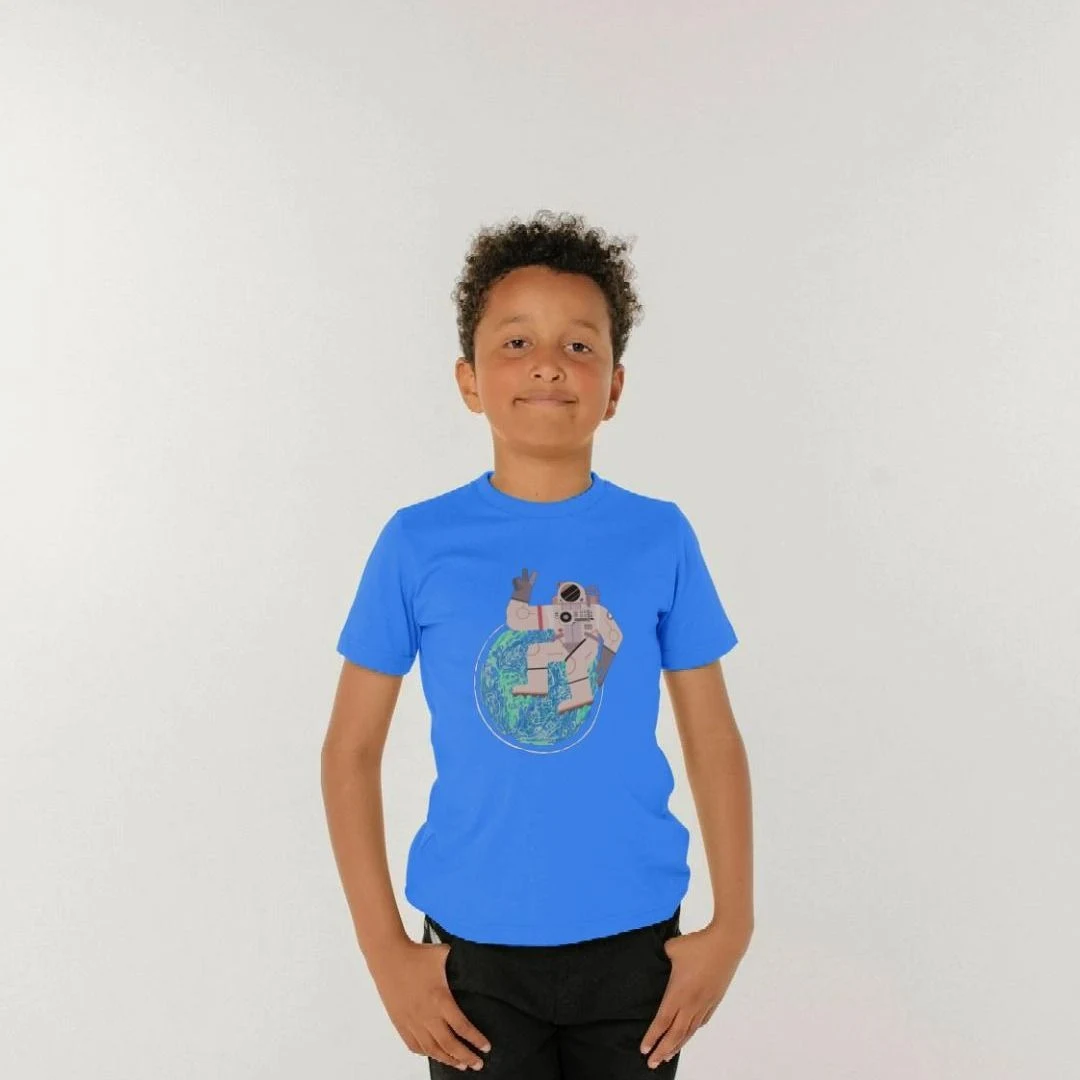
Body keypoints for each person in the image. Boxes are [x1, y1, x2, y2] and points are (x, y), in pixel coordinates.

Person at [321, 209, 754, 1078]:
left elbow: (711, 738)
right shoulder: (417, 543)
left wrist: (732, 925)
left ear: (615, 387)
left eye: (579, 345)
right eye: (516, 342)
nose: (549, 363)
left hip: (637, 949)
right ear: (469, 380)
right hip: (473, 959)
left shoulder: (659, 537)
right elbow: (350, 752)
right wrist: (384, 951)